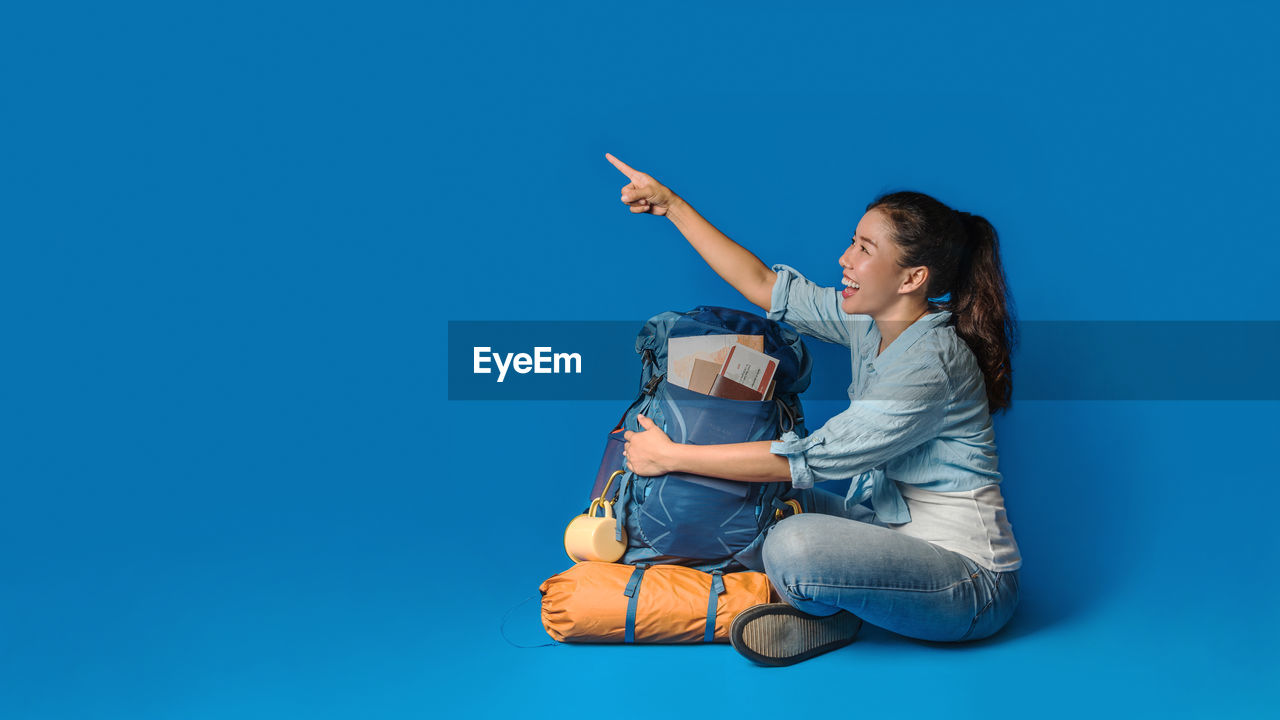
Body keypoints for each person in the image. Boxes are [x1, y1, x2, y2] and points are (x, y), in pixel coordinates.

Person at [606, 152, 1022, 666]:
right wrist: (671, 205)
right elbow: (764, 284)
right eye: (853, 241)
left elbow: (803, 460)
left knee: (791, 542)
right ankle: (842, 599)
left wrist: (671, 457)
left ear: (911, 279)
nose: (846, 258)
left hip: (970, 585)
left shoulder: (931, 363)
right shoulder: (871, 322)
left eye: (865, 249)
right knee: (761, 502)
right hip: (888, 533)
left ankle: (834, 611)